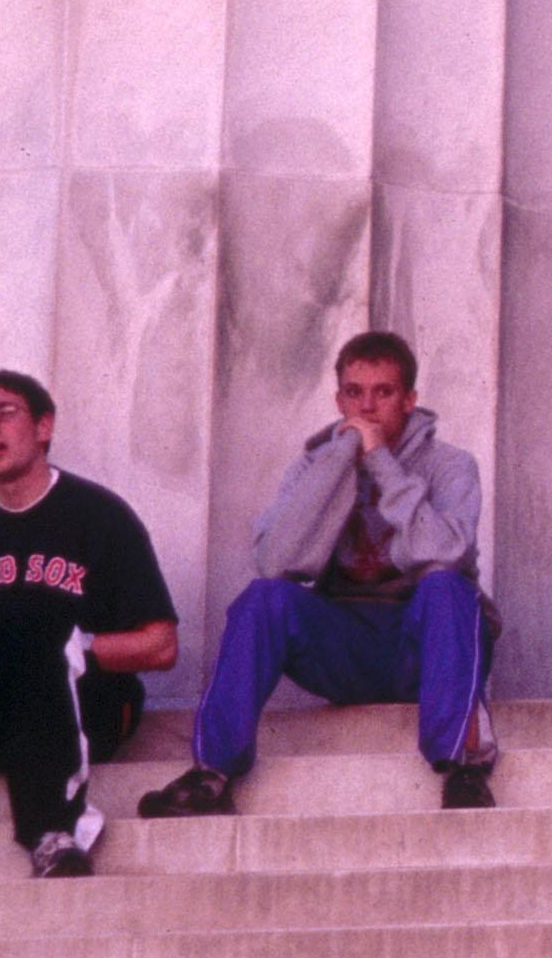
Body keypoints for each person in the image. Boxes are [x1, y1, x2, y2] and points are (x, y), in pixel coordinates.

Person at [136, 331, 494, 820]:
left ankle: (463, 768)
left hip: (424, 642)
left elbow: (447, 552)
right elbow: (274, 561)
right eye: (354, 392)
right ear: (338, 399)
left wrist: (382, 464)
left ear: (409, 400)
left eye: (384, 392)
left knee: (447, 587)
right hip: (345, 642)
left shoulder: (451, 465)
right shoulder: (314, 464)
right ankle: (212, 774)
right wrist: (339, 462)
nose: (367, 407)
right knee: (263, 598)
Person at [0, 373, 176, 875]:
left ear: (44, 427)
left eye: (6, 412)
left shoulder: (100, 518)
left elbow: (161, 645)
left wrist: (75, 648)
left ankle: (53, 834)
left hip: (88, 710)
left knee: (35, 636)